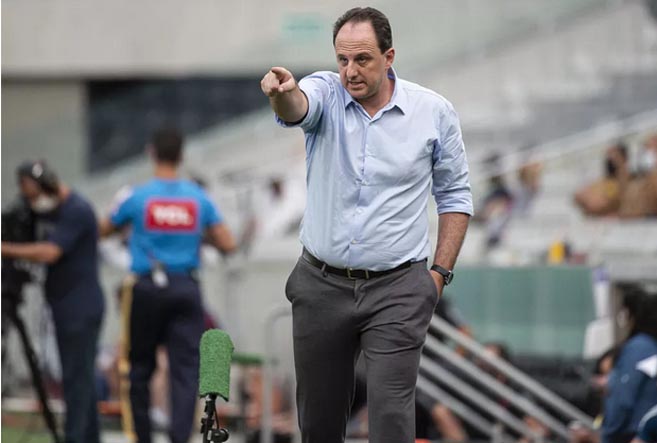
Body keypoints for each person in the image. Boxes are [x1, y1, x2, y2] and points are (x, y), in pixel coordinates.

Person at [260, 7, 473, 443]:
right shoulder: (324, 90)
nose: (350, 71)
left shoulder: (433, 112)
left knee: (392, 418)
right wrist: (282, 92)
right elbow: (297, 107)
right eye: (342, 59)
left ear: (389, 57)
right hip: (321, 285)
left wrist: (438, 275)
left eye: (362, 59)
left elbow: (455, 196)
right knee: (318, 423)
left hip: (398, 289)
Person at [99, 127, 237, 443]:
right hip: (185, 286)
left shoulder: (137, 196)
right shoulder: (198, 198)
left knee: (139, 368)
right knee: (184, 371)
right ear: (181, 156)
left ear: (151, 153)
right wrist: (195, 235)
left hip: (146, 288)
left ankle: (142, 436)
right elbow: (228, 243)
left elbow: (104, 229)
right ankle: (179, 438)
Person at [1, 160, 105, 443]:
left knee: (76, 380)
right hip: (62, 305)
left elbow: (50, 252)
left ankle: (75, 437)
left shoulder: (76, 211)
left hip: (79, 307)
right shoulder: (48, 212)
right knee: (80, 381)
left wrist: (5, 249)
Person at [602, 287, 657, 443]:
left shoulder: (639, 347)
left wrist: (607, 435)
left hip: (633, 434)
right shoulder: (650, 346)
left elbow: (623, 400)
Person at [574, 143, 630, 217]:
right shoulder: (604, 180)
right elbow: (577, 196)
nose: (610, 158)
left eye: (614, 155)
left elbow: (615, 200)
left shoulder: (624, 178)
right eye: (609, 156)